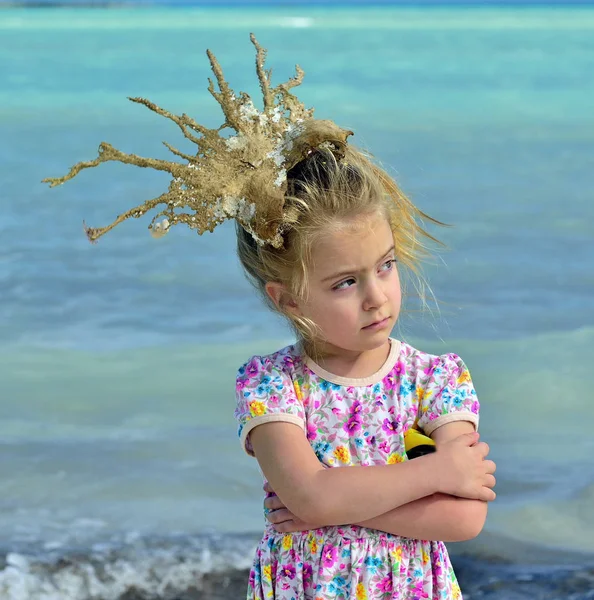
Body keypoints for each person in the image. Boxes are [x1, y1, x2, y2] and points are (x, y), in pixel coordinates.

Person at [43, 34, 496, 600]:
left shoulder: (435, 380)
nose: (376, 296)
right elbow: (309, 499)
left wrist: (337, 505)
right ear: (288, 300)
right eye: (345, 283)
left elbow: (464, 520)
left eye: (385, 267)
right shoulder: (272, 386)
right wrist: (432, 474)